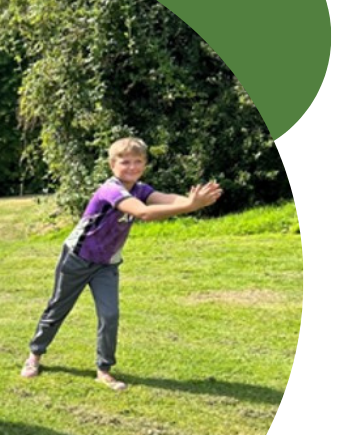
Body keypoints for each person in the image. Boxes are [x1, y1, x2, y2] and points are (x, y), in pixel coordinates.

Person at [20, 137, 222, 389]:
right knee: (58, 309)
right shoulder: (111, 189)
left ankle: (103, 370)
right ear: (112, 165)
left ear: (145, 165)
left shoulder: (141, 189)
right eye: (125, 162)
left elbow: (165, 198)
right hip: (77, 258)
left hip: (106, 264)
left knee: (110, 314)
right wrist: (190, 206)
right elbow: (144, 213)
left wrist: (192, 203)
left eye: (138, 162)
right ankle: (34, 356)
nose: (132, 167)